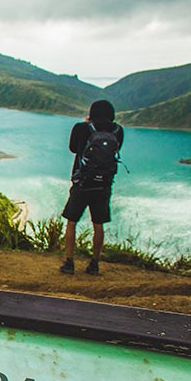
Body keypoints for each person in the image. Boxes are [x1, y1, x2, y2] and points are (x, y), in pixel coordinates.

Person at [60, 100, 124, 275]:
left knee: (71, 222)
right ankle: (94, 264)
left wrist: (87, 125)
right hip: (103, 185)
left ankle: (69, 263)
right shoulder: (118, 131)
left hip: (82, 184)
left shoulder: (81, 128)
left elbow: (73, 148)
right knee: (98, 225)